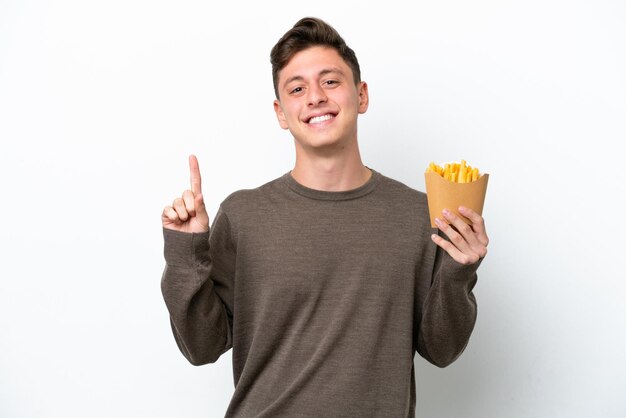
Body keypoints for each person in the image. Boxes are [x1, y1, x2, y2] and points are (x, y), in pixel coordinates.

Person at [161, 16, 489, 417]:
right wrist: (185, 250)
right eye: (297, 89)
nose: (315, 97)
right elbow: (201, 347)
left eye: (330, 81)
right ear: (282, 113)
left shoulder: (419, 215)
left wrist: (459, 270)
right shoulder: (244, 216)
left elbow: (441, 349)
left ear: (361, 95)